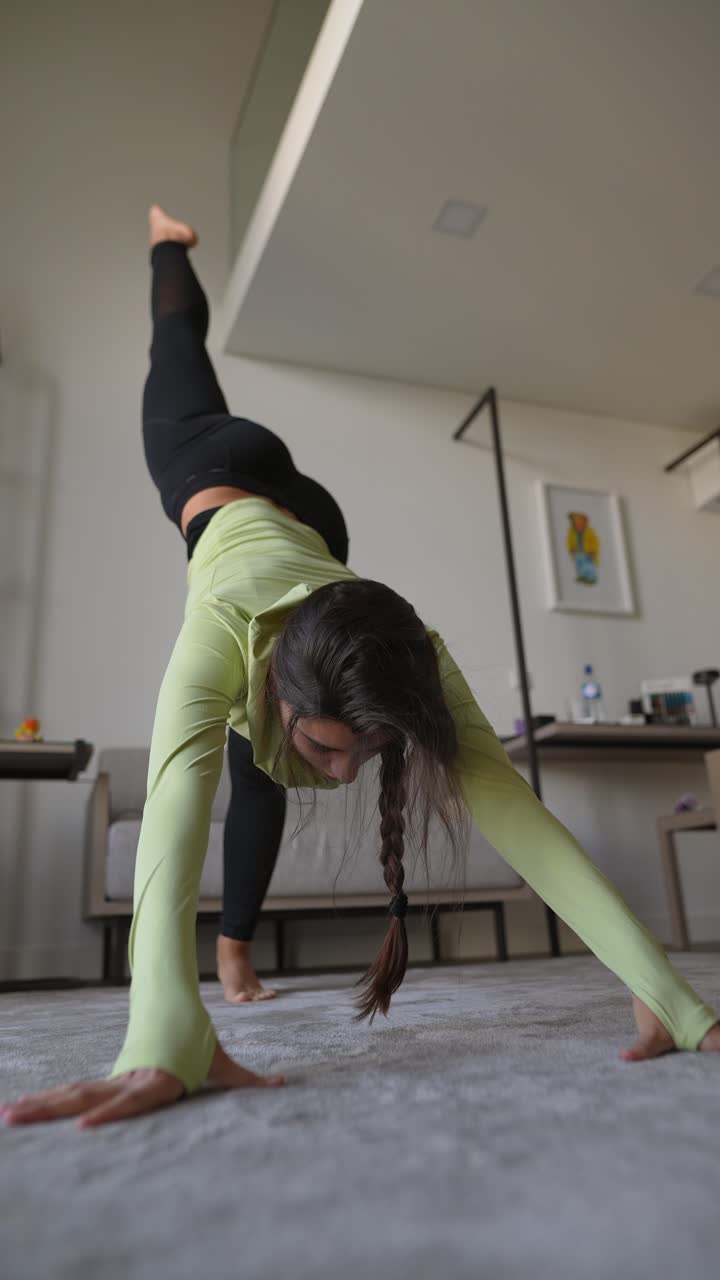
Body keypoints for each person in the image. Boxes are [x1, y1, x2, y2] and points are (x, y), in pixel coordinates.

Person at [2, 206, 719, 1130]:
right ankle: (166, 242)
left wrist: (670, 992)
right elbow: (172, 824)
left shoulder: (411, 650)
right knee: (175, 345)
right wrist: (160, 1034)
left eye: (363, 751)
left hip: (317, 534)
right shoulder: (216, 633)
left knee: (259, 769)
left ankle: (234, 948)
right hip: (213, 466)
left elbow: (518, 816)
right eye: (329, 748)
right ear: (275, 690)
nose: (346, 776)